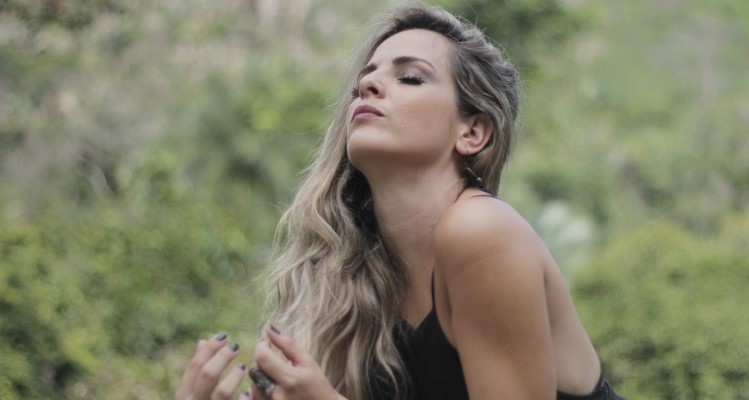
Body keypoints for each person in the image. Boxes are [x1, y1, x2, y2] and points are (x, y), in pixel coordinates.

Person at [175, 3, 625, 400]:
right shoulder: (355, 281)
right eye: (362, 82)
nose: (369, 85)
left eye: (410, 77)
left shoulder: (483, 233)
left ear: (472, 132)